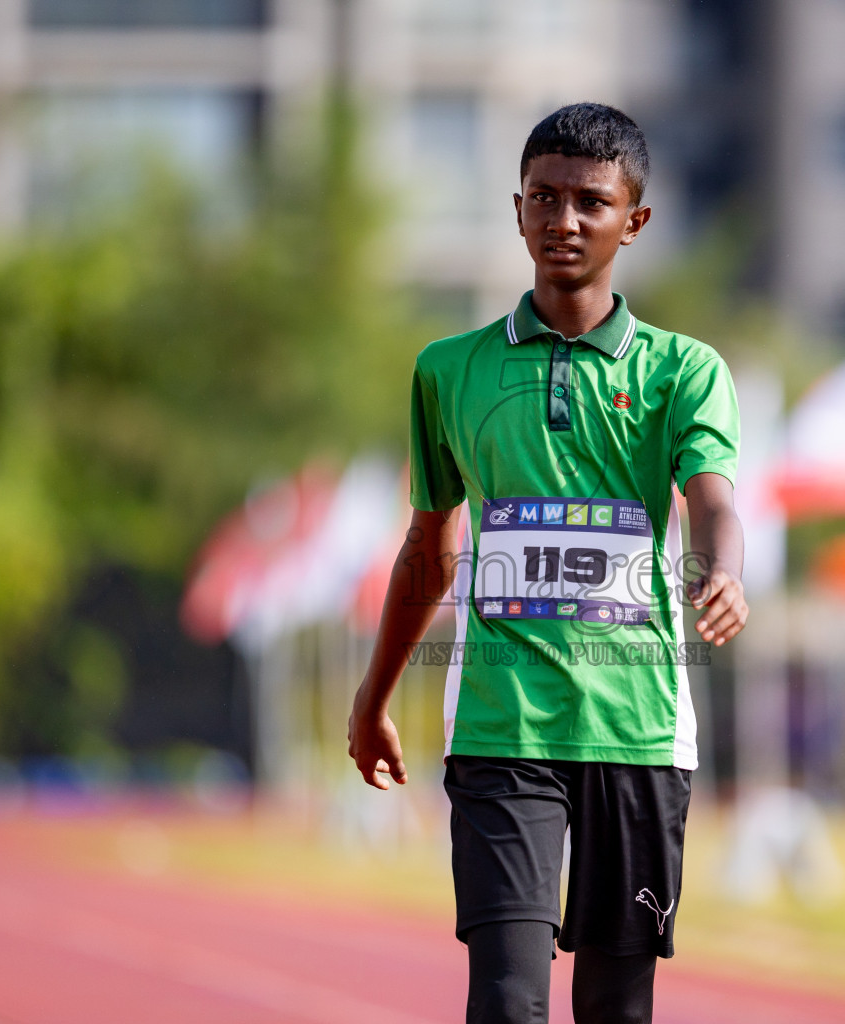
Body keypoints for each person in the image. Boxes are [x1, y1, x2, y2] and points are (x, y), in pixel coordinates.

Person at [348, 102, 747, 1024]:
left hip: (637, 725)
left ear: (633, 222)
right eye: (546, 198)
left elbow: (715, 497)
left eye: (591, 203)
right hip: (499, 725)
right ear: (518, 209)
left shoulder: (683, 370)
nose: (565, 221)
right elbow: (427, 547)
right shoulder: (449, 370)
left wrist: (723, 568)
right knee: (507, 1001)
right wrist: (373, 697)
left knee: (616, 1007)